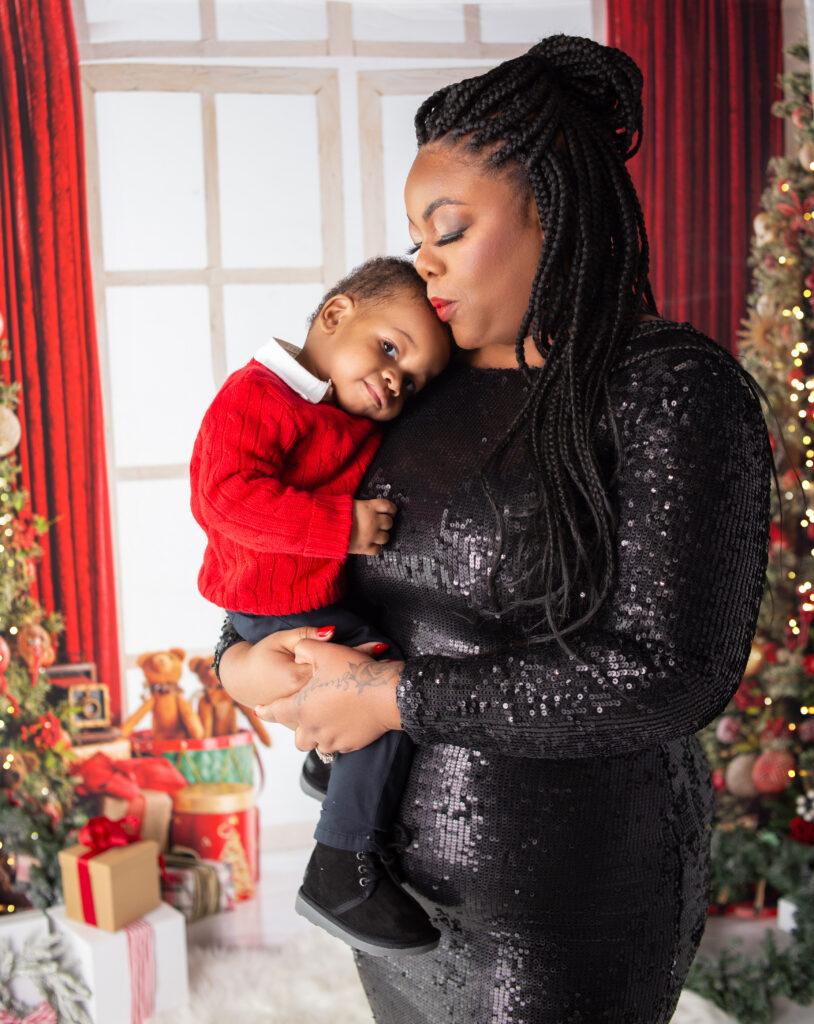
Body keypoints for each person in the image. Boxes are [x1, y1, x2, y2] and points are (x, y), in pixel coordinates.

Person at [216, 34, 772, 1023]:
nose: (418, 262)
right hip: (388, 886)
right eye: (415, 235)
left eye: (448, 229)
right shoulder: (406, 392)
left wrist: (393, 695)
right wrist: (239, 666)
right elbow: (291, 559)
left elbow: (667, 674)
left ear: (549, 212)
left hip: (568, 898)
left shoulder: (668, 392)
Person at [190, 256, 450, 957]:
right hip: (272, 608)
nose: (396, 380)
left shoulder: (347, 410)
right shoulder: (262, 397)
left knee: (377, 678)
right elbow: (224, 498)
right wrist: (341, 526)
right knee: (380, 690)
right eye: (390, 349)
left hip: (302, 601)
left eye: (413, 380)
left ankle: (328, 771)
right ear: (335, 315)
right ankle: (341, 866)